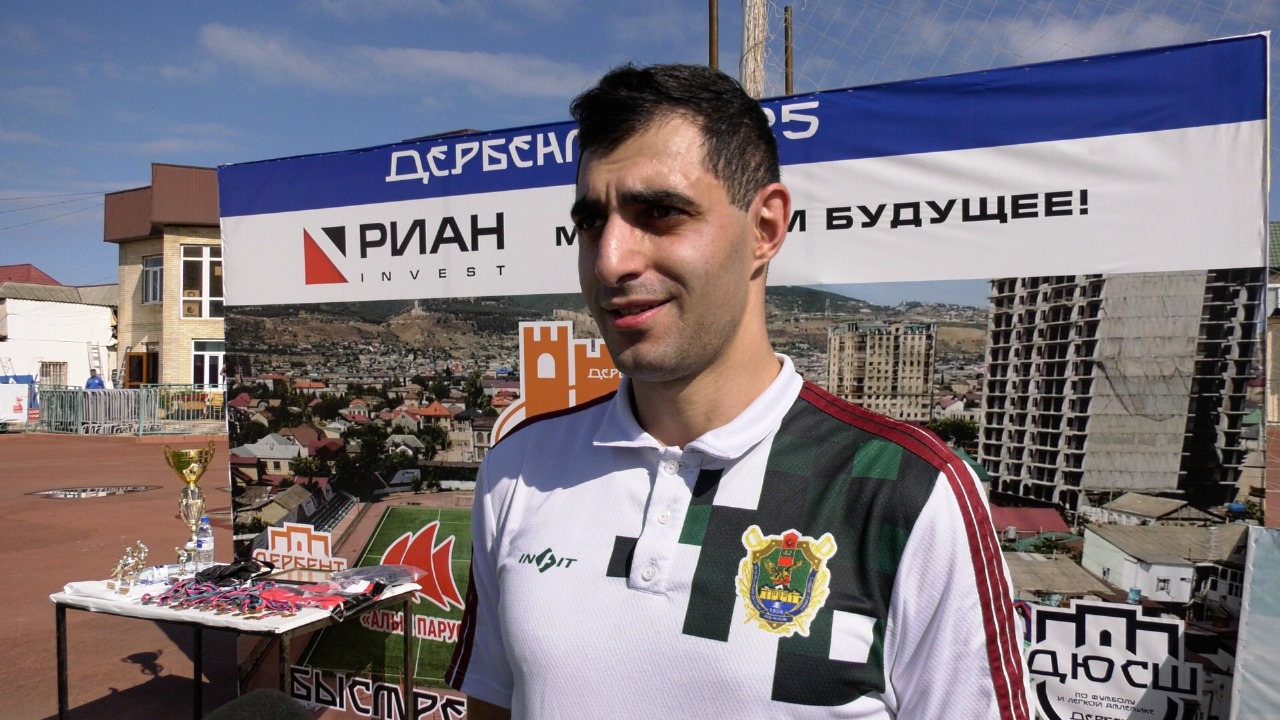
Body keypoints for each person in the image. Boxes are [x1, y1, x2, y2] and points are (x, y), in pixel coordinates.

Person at [447, 63, 1029, 719]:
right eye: (591, 222)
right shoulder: (520, 468)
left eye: (660, 213)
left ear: (765, 228)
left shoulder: (909, 491)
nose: (610, 260)